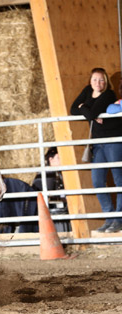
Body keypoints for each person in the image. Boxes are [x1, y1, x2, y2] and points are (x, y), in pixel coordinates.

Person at [71, 67, 121, 233]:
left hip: (113, 140)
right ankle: (110, 218)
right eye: (95, 80)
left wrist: (85, 109)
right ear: (90, 81)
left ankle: (119, 219)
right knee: (98, 181)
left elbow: (89, 111)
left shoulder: (109, 95)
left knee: (118, 180)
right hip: (98, 142)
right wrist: (91, 113)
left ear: (105, 82)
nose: (98, 83)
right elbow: (72, 109)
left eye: (101, 80)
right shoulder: (87, 91)